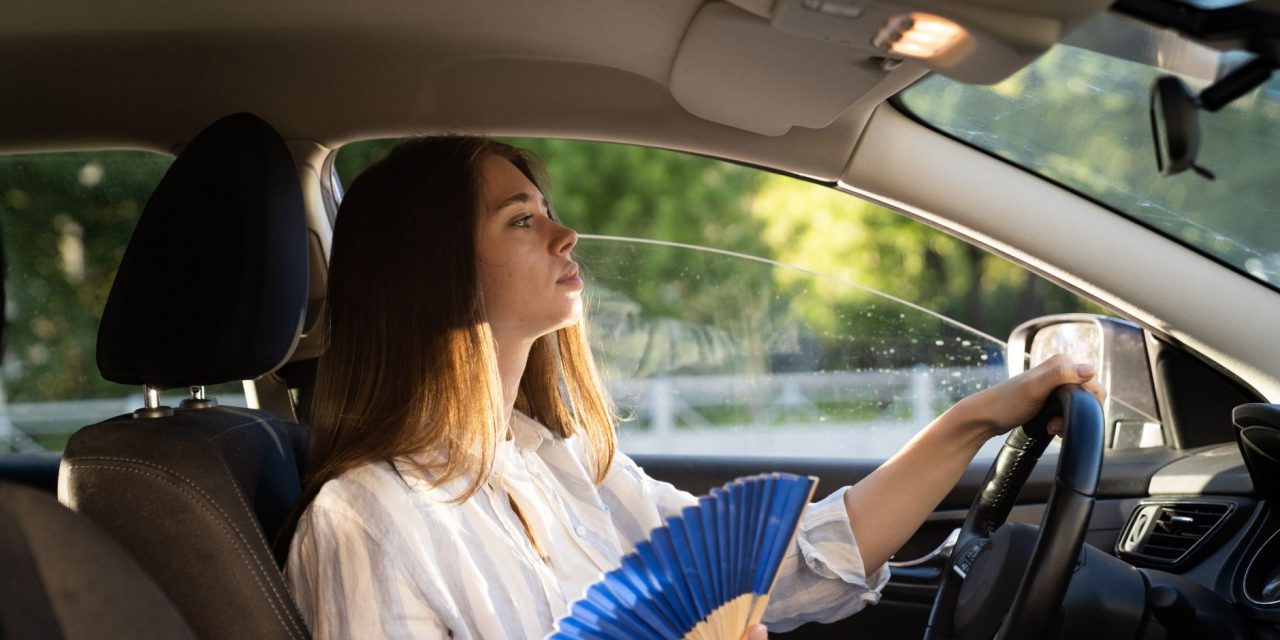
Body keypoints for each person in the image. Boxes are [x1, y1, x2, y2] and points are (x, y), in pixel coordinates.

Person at [284, 136, 1104, 639]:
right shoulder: (365, 522)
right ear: (436, 274)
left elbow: (790, 566)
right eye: (522, 219)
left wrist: (976, 420)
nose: (567, 233)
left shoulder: (565, 464)